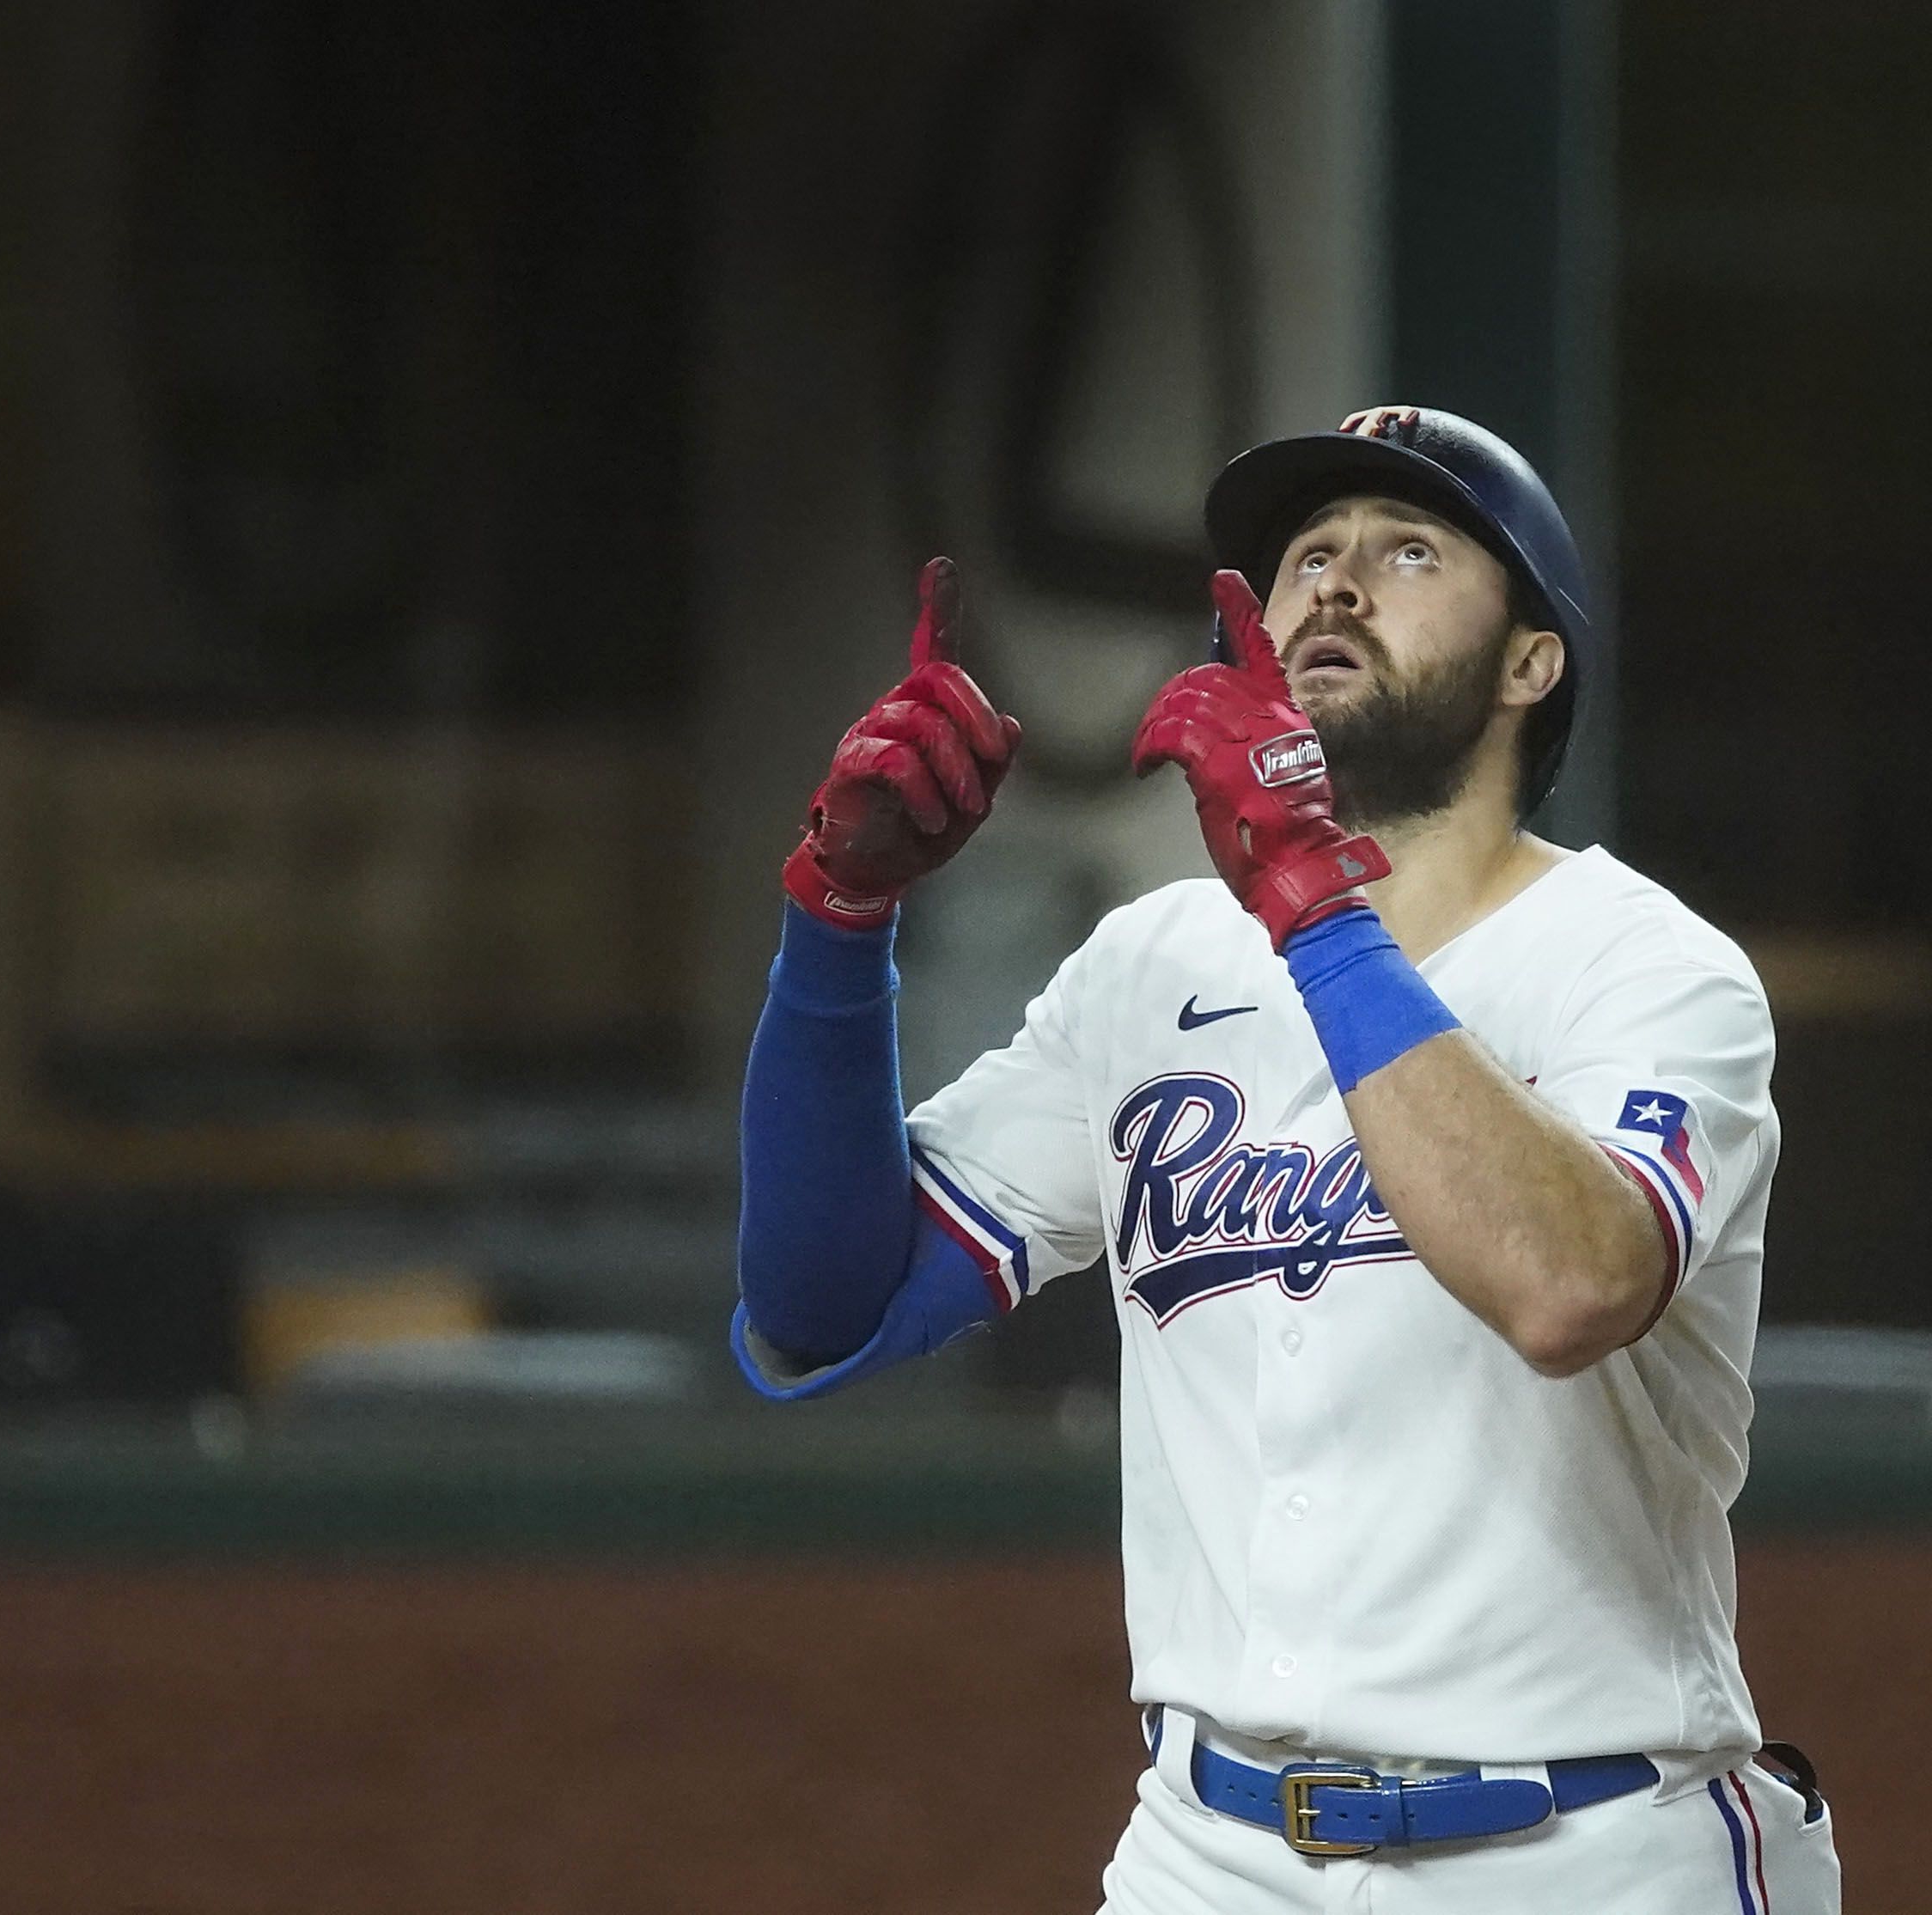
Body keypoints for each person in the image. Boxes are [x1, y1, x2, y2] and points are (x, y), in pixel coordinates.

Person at [734, 407, 1839, 1912]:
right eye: (1306, 554)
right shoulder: (1153, 965)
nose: (1331, 584)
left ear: (1533, 660)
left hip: (1584, 1851)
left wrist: (1316, 903)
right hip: (1212, 1853)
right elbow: (823, 1302)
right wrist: (838, 919)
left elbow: (1571, 1284)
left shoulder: (1646, 968)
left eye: (1407, 551)